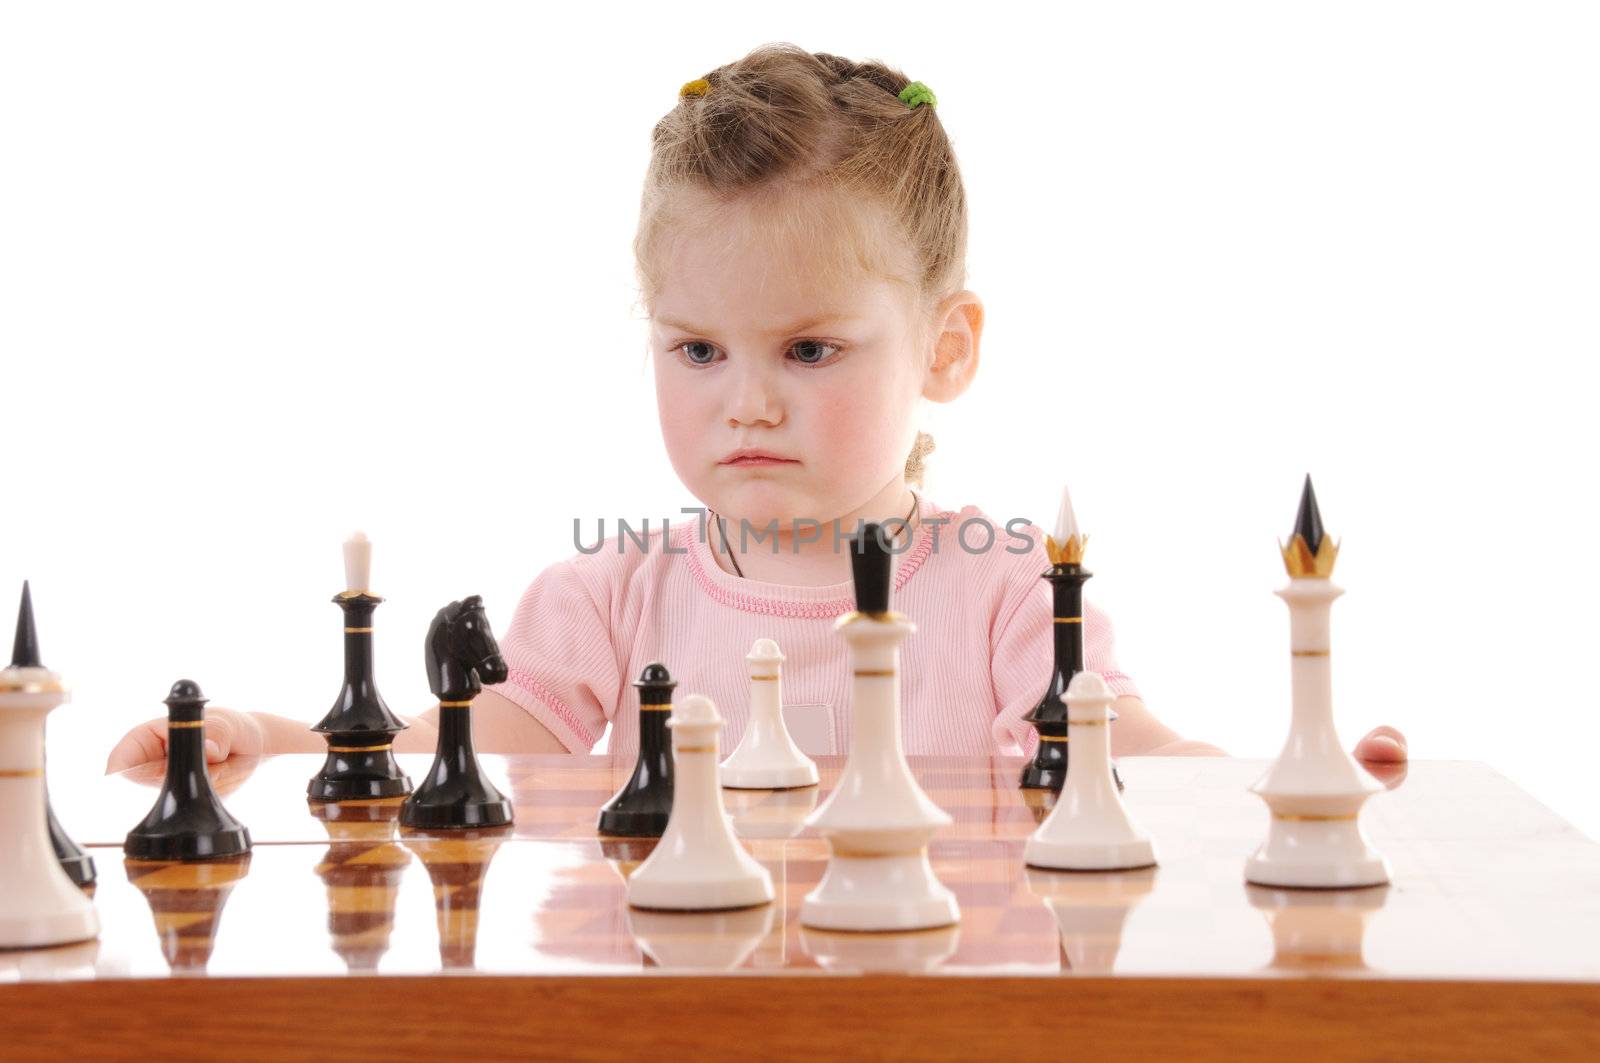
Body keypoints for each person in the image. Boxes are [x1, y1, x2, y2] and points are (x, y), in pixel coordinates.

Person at [108, 44, 1407, 772]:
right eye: (697, 351)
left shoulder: (1011, 593)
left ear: (947, 349)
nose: (748, 404)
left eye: (809, 348)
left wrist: (1305, 781)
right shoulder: (609, 596)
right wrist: (279, 742)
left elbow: (1140, 764)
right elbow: (456, 757)